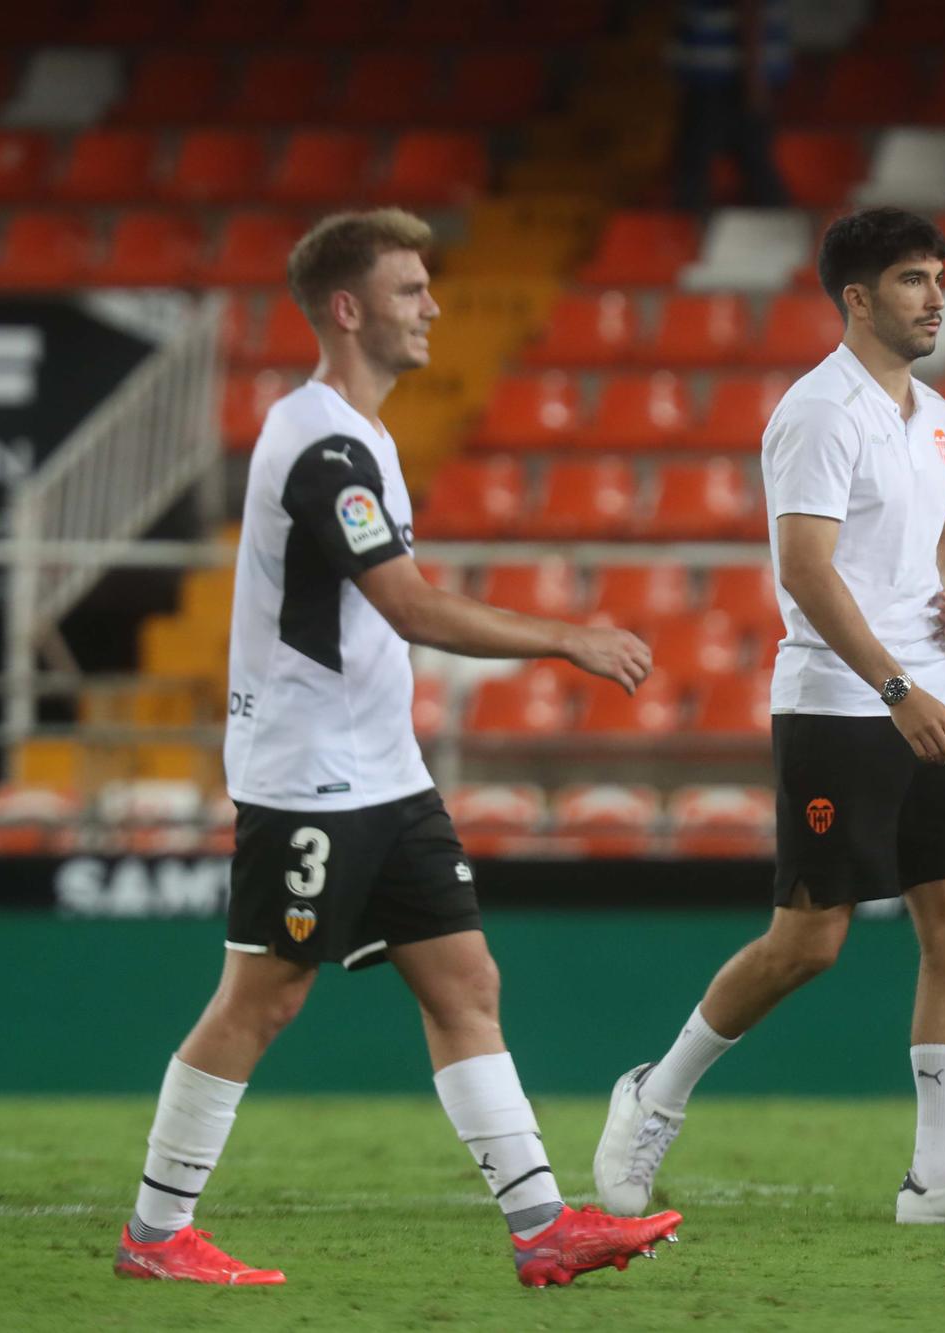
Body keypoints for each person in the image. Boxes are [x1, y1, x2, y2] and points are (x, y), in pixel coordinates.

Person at [112, 208, 682, 1290]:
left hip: (384, 770)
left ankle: (540, 1226)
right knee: (264, 997)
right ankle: (154, 1232)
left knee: (465, 979)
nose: (433, 308)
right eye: (411, 291)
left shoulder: (357, 437)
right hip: (311, 775)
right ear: (348, 308)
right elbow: (409, 606)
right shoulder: (322, 446)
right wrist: (565, 635)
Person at [591, 207, 945, 1227]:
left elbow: (934, 538)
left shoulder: (937, 415)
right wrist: (897, 689)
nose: (935, 296)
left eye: (938, 276)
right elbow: (803, 567)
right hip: (848, 702)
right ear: (855, 298)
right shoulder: (816, 411)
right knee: (808, 940)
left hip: (936, 695)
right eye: (910, 279)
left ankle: (937, 1177)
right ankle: (654, 1093)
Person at [670, 0, 792, 215]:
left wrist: (754, 80)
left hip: (725, 82)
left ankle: (686, 236)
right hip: (714, 81)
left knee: (701, 169)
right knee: (701, 169)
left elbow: (750, 10)